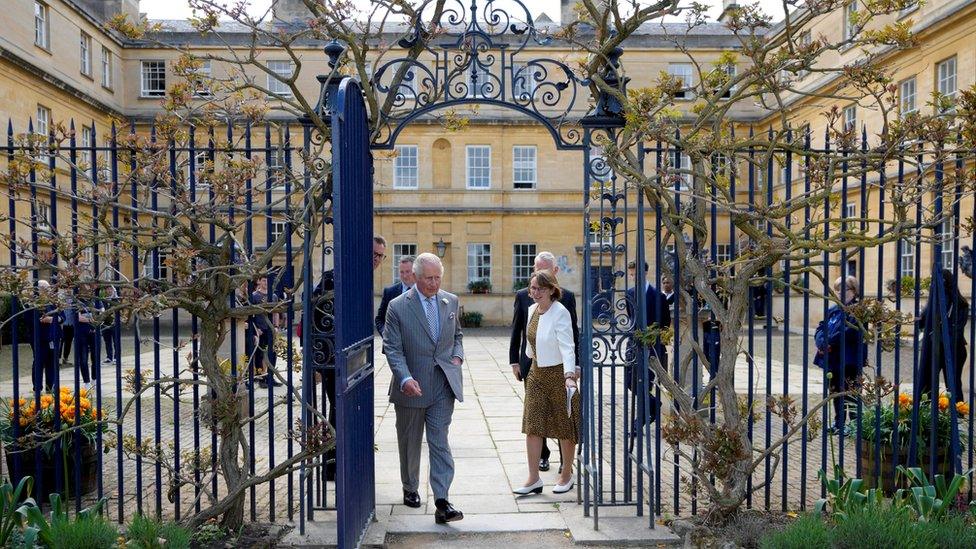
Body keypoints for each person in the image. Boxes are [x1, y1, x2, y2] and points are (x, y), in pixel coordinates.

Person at [382, 253, 465, 523]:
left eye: (438, 277)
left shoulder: (450, 300)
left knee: (439, 442)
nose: (434, 283)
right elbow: (392, 348)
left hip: (443, 384)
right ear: (415, 277)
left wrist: (457, 356)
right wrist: (405, 378)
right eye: (428, 278)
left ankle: (442, 501)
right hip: (411, 387)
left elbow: (458, 335)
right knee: (410, 442)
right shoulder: (397, 306)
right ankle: (410, 487)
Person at [319, 235, 386, 481]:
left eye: (380, 256)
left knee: (349, 410)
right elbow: (317, 318)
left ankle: (345, 463)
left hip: (357, 357)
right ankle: (331, 465)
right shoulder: (334, 277)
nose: (376, 259)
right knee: (338, 410)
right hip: (334, 360)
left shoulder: (363, 278)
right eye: (373, 254)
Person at [509, 251, 579, 473]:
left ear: (554, 273)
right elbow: (517, 330)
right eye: (535, 270)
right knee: (535, 419)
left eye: (543, 271)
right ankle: (541, 459)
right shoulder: (525, 300)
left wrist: (572, 369)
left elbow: (571, 338)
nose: (535, 289)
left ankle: (565, 465)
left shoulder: (565, 300)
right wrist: (515, 360)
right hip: (533, 366)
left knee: (561, 419)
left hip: (558, 368)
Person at [814, 275, 866, 435]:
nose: (840, 293)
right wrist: (821, 341)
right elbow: (821, 327)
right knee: (835, 391)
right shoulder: (833, 309)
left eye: (845, 289)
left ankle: (855, 425)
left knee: (851, 392)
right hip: (833, 359)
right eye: (837, 289)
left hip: (849, 359)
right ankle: (839, 424)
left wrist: (828, 342)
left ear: (854, 290)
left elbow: (848, 332)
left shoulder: (858, 310)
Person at [625, 261, 671, 426]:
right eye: (630, 274)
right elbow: (631, 319)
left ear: (644, 272)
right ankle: (653, 405)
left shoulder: (659, 296)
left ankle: (642, 419)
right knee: (629, 380)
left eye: (634, 274)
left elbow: (666, 323)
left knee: (645, 382)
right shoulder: (629, 293)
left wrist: (653, 336)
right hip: (633, 345)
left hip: (653, 347)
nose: (632, 277)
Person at [917, 269, 970, 404]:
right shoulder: (956, 303)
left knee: (942, 385)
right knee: (941, 384)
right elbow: (922, 324)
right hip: (945, 348)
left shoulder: (951, 303)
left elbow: (922, 323)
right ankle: (948, 416)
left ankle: (948, 415)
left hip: (946, 349)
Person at [250, 277, 281, 388]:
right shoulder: (254, 296)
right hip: (260, 330)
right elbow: (251, 315)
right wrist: (255, 329)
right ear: (259, 281)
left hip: (270, 329)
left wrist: (276, 326)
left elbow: (276, 312)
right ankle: (261, 378)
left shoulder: (273, 296)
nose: (266, 282)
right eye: (263, 280)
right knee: (259, 354)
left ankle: (270, 376)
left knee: (272, 353)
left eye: (268, 280)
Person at [32, 280, 62, 393]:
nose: (47, 290)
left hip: (54, 336)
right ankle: (37, 388)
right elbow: (35, 320)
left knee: (52, 363)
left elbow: (61, 317)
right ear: (38, 289)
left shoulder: (53, 302)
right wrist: (54, 319)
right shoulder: (34, 303)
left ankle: (51, 386)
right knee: (39, 363)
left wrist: (52, 319)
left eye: (48, 288)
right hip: (40, 338)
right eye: (44, 288)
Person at [375, 255, 416, 336]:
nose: (404, 276)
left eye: (408, 272)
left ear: (415, 271)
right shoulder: (389, 292)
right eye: (401, 272)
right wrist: (386, 335)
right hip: (392, 346)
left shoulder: (423, 291)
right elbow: (379, 319)